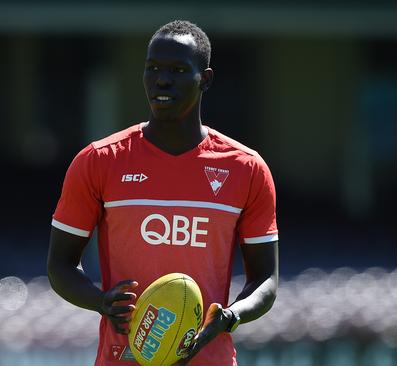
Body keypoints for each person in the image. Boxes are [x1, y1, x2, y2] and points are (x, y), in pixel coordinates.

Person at [47, 20, 278, 366]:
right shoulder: (99, 161)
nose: (162, 79)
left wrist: (231, 316)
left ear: (206, 79)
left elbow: (267, 280)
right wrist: (100, 301)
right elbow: (59, 266)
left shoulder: (246, 168)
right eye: (152, 68)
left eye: (178, 70)